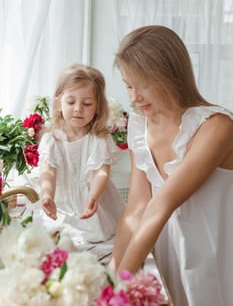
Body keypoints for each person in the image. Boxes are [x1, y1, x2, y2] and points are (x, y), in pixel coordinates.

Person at [109, 25, 233, 306]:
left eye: (142, 85)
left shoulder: (216, 126)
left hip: (221, 259)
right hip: (175, 258)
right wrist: (111, 276)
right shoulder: (139, 127)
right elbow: (136, 208)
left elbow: (161, 204)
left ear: (170, 76)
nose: (134, 97)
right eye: (129, 85)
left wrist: (121, 288)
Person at [35, 63, 125, 249]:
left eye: (87, 104)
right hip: (62, 203)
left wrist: (94, 196)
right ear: (59, 102)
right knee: (60, 240)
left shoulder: (99, 139)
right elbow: (48, 171)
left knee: (99, 239)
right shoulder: (53, 139)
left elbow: (102, 172)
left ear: (98, 107)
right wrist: (47, 194)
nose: (78, 109)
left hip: (92, 201)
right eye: (71, 102)